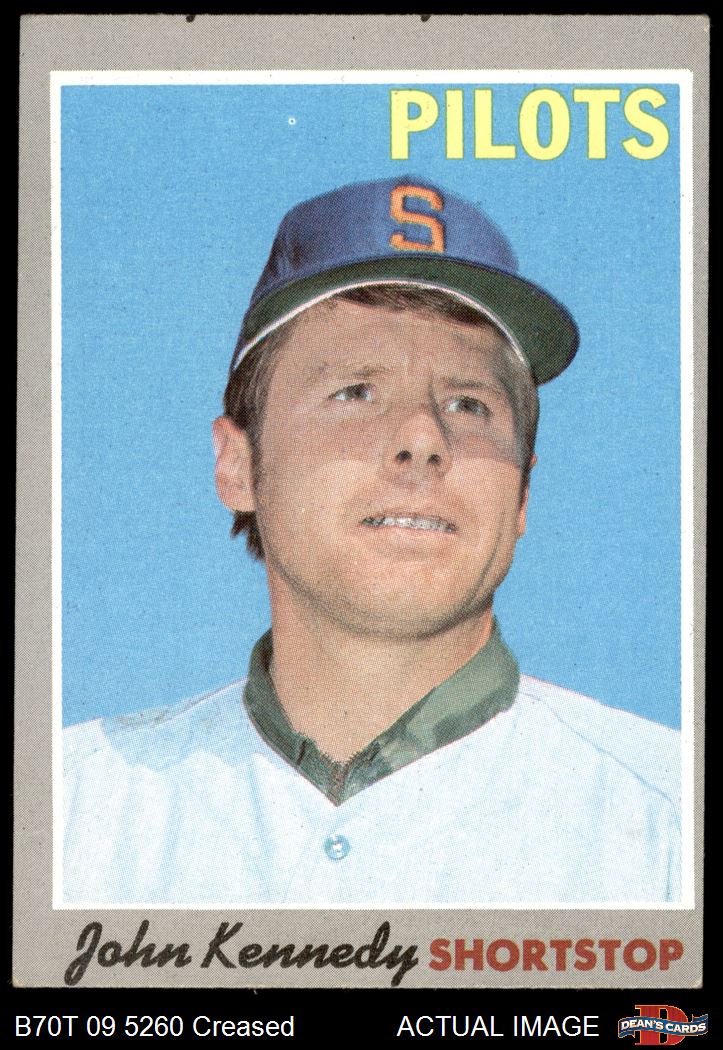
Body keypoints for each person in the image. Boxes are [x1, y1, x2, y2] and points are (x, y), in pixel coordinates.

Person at [64, 176, 680, 904]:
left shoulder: (671, 819)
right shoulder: (67, 812)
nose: (423, 438)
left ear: (521, 492)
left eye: (468, 404)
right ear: (238, 466)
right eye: (354, 392)